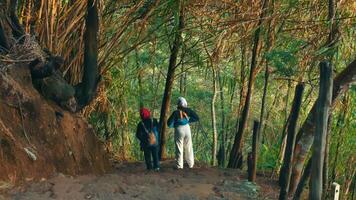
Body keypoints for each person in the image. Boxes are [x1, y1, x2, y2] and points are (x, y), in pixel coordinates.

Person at [167, 97, 199, 169]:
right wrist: (188, 121)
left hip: (179, 129)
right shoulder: (188, 110)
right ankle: (191, 164)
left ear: (178, 104)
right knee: (189, 147)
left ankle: (179, 166)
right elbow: (197, 118)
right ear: (185, 103)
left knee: (179, 147)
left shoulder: (175, 112)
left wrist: (174, 125)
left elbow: (169, 123)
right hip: (187, 129)